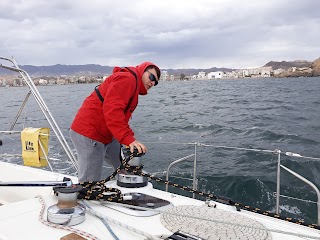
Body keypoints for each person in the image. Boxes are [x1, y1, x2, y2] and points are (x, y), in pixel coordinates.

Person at [70, 62, 161, 182]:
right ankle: (85, 197)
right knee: (89, 183)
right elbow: (113, 111)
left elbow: (120, 118)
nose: (152, 83)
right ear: (142, 71)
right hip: (90, 133)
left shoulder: (132, 85)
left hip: (107, 134)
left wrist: (129, 138)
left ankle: (128, 188)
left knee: (124, 167)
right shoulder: (127, 79)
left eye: (156, 82)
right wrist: (129, 139)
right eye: (151, 77)